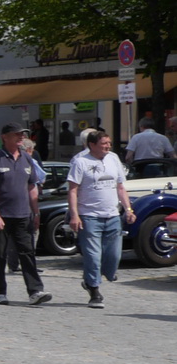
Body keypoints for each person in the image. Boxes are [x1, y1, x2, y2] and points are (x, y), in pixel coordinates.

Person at [0, 124, 50, 305]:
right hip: (1, 215)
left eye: (22, 135)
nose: (21, 137)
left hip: (23, 215)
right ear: (5, 137)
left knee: (27, 253)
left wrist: (36, 213)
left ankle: (35, 291)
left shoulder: (27, 158)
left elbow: (32, 187)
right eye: (17, 134)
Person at [67, 128, 134, 308]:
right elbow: (72, 190)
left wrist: (128, 209)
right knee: (93, 256)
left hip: (112, 215)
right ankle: (94, 289)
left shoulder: (113, 158)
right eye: (104, 143)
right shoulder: (80, 162)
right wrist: (74, 215)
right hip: (89, 217)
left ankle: (93, 278)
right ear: (92, 145)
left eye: (109, 143)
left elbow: (120, 187)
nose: (108, 146)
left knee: (113, 256)